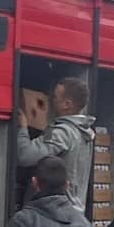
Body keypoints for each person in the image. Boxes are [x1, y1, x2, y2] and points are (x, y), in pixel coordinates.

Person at [16, 78, 97, 211]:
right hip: (73, 212)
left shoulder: (62, 133)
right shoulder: (83, 133)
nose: (50, 100)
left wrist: (22, 128)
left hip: (51, 214)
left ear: (67, 104)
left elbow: (25, 156)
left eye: (54, 97)